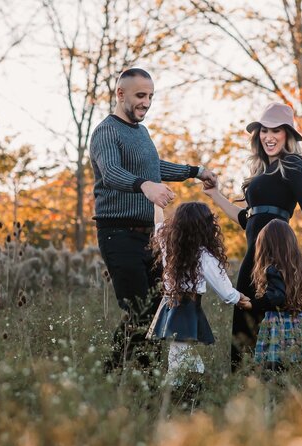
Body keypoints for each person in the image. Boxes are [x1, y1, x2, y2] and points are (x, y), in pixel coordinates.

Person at [90, 68, 217, 370]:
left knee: (159, 307)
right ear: (120, 95)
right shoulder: (106, 132)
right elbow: (111, 173)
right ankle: (119, 373)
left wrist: (196, 172)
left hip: (150, 236)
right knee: (139, 309)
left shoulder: (141, 133)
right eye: (140, 96)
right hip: (118, 234)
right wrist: (144, 185)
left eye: (150, 96)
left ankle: (141, 374)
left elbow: (153, 166)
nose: (146, 102)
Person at [204, 102, 302, 371]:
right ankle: (245, 385)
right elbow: (247, 219)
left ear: (288, 135)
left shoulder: (292, 164)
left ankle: (269, 380)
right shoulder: (262, 171)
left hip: (272, 256)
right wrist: (215, 196)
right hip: (253, 255)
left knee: (263, 315)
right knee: (244, 322)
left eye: (276, 131)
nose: (269, 136)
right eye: (264, 130)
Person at [148, 202, 252, 386]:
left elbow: (158, 225)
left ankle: (191, 392)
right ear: (205, 227)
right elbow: (225, 291)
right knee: (179, 362)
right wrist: (241, 299)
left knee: (186, 359)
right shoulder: (203, 254)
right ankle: (170, 399)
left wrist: (157, 203)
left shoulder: (168, 244)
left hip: (172, 305)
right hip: (185, 309)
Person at [251, 219, 302, 369]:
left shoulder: (272, 270)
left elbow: (277, 297)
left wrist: (253, 304)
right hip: (301, 321)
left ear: (266, 247)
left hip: (278, 323)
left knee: (276, 364)